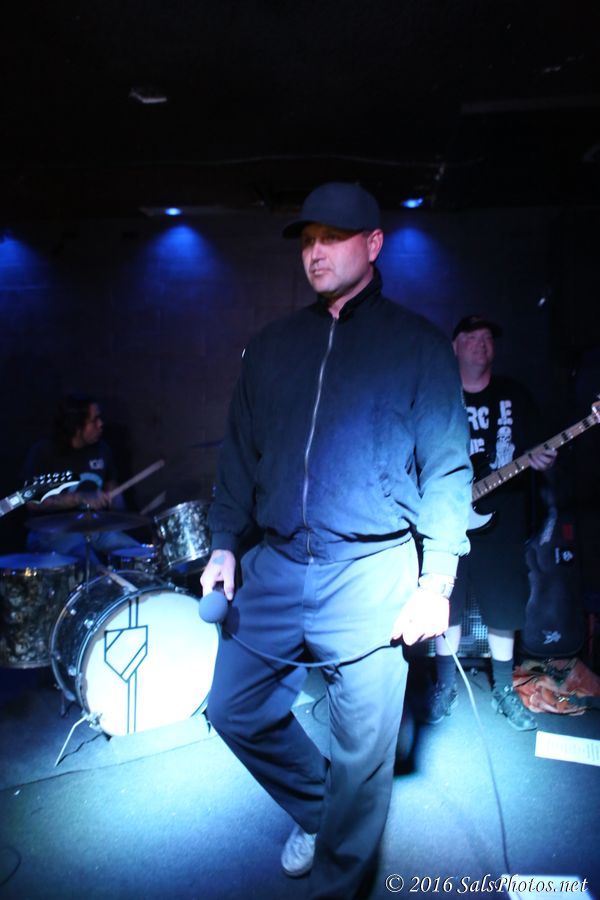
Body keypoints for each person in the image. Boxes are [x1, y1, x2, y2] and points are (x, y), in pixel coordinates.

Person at [200, 182, 472, 899]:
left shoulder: (416, 345)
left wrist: (436, 581)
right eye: (307, 239)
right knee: (233, 708)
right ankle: (324, 813)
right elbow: (239, 454)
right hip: (279, 563)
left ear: (374, 244)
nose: (315, 252)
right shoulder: (272, 347)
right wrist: (224, 542)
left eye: (332, 237)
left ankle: (338, 881)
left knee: (362, 754)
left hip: (371, 569)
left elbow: (448, 468)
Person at [426, 316, 556, 731]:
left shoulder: (515, 395)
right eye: (471, 337)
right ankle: (444, 686)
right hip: (448, 520)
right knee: (445, 604)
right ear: (454, 346)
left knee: (504, 608)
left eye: (488, 338)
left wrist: (543, 458)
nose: (481, 344)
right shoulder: (439, 395)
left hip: (502, 521)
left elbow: (538, 447)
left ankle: (503, 689)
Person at [24, 393, 140, 566]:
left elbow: (112, 490)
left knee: (140, 557)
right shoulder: (44, 452)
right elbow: (31, 502)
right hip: (52, 533)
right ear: (76, 426)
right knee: (92, 570)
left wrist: (126, 516)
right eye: (94, 420)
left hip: (95, 528)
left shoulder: (102, 449)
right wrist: (80, 498)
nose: (101, 424)